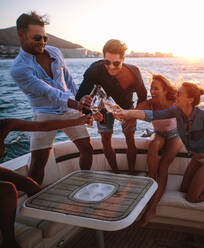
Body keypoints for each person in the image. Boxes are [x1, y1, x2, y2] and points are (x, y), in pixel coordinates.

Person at [114, 82, 204, 204]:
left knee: (193, 198)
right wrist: (127, 113)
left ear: (190, 100)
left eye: (179, 94)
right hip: (195, 159)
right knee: (184, 189)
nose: (175, 95)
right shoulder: (176, 111)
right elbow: (153, 115)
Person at [10, 12, 94, 184]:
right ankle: (32, 197)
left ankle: (84, 183)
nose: (42, 42)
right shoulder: (19, 68)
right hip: (44, 114)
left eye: (45, 38)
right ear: (21, 34)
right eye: (37, 38)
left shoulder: (55, 52)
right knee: (39, 161)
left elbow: (68, 78)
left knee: (87, 148)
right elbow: (48, 92)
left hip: (70, 108)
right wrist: (78, 104)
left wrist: (82, 100)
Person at [0, 115, 91, 248]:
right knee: (8, 190)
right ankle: (9, 241)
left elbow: (42, 126)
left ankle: (45, 216)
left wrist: (78, 121)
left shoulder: (5, 124)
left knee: (30, 184)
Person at [76, 39, 147, 174]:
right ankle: (115, 172)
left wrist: (134, 116)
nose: (111, 67)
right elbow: (80, 97)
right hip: (104, 107)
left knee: (130, 138)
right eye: (107, 62)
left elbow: (143, 96)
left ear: (123, 59)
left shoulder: (134, 72)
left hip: (127, 108)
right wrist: (90, 112)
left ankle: (132, 173)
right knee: (105, 139)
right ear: (103, 58)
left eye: (116, 63)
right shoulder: (94, 70)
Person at [128, 74, 183, 226]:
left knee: (164, 165)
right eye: (151, 88)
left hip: (176, 135)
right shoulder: (149, 104)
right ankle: (152, 181)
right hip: (159, 134)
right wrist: (130, 118)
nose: (153, 91)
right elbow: (133, 112)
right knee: (152, 146)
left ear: (165, 90)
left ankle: (152, 208)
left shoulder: (174, 102)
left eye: (157, 88)